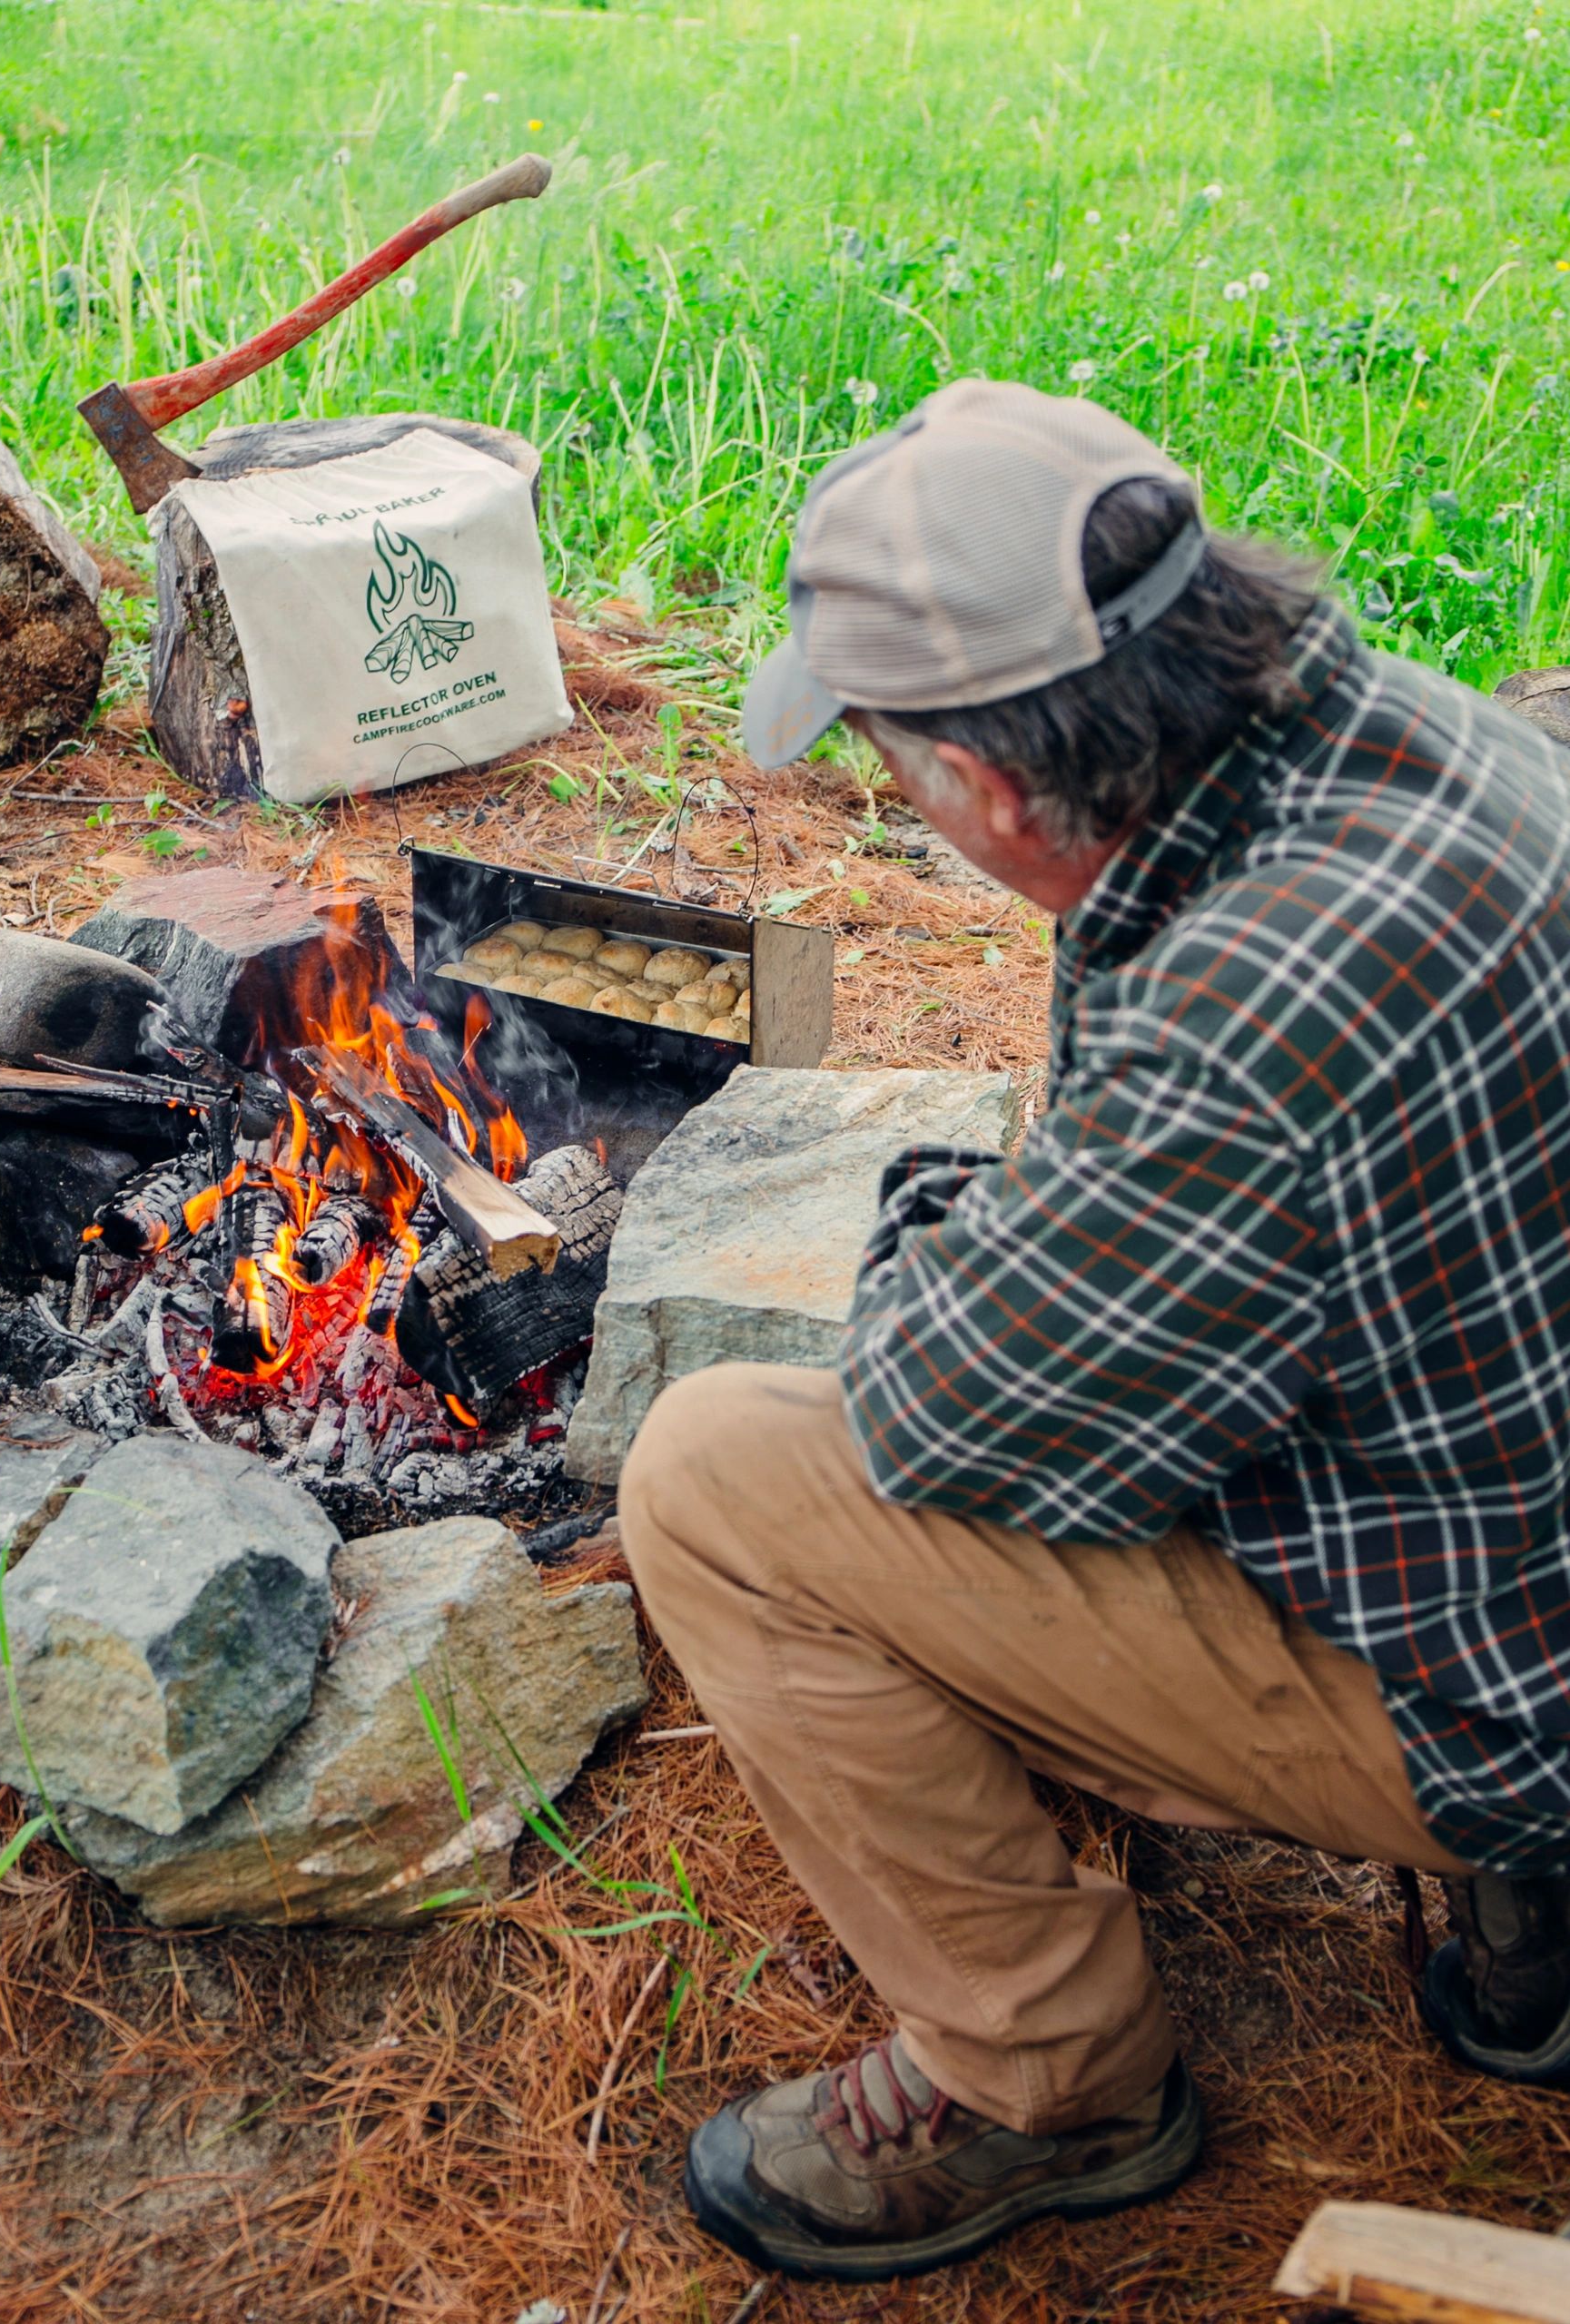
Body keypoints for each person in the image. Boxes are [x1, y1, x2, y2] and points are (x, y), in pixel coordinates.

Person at [617, 380, 1570, 2285]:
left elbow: (948, 1417)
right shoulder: (1430, 739)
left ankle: (1045, 2076)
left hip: (1498, 1683)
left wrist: (932, 1224)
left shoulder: (1249, 1026)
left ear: (976, 790)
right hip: (1517, 1507)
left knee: (717, 1478)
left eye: (888, 760)